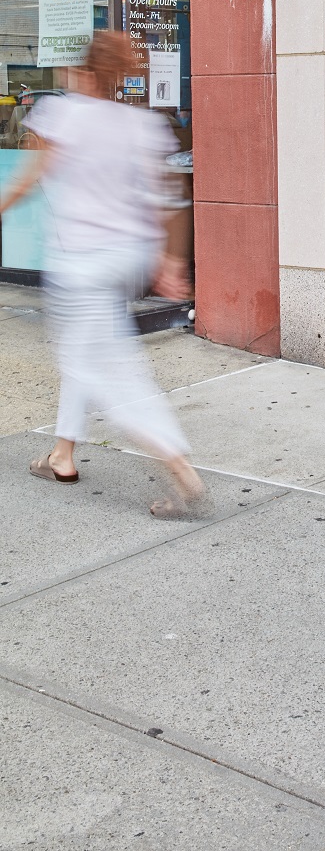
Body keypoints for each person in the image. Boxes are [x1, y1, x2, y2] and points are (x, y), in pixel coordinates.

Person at [0, 32, 208, 520]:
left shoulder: (62, 113)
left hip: (82, 262)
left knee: (107, 368)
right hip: (128, 258)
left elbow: (31, 176)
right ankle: (62, 455)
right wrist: (170, 264)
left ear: (84, 72)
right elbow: (169, 199)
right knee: (85, 352)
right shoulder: (142, 123)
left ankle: (177, 465)